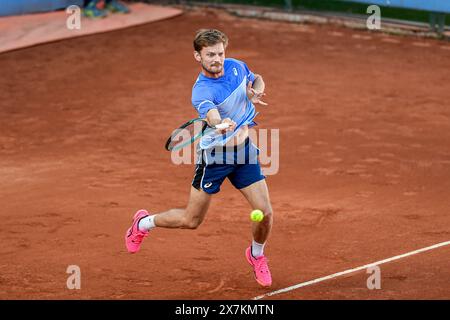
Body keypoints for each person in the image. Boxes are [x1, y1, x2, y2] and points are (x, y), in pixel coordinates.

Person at [125, 29, 273, 287]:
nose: (218, 59)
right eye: (211, 55)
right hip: (215, 158)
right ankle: (143, 222)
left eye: (220, 53)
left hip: (245, 153)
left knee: (265, 212)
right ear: (198, 56)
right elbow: (211, 114)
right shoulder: (202, 91)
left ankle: (256, 255)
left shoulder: (236, 66)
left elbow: (257, 78)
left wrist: (255, 92)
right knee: (191, 220)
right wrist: (219, 124)